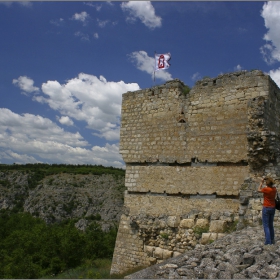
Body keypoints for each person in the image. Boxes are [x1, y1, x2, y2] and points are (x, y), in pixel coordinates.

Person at [258, 177, 277, 245]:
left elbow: (258, 189)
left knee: (266, 225)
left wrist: (261, 183)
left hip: (266, 207)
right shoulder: (274, 189)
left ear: (267, 183)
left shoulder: (266, 189)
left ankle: (268, 242)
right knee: (271, 225)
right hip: (273, 207)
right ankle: (272, 239)